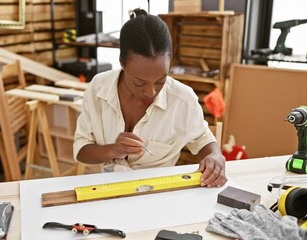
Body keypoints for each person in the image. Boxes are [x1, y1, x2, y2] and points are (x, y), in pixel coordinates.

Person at [73, 8, 226, 188]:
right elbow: (82, 151)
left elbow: (204, 142)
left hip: (156, 193)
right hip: (106, 189)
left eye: (161, 81)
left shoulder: (182, 100)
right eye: (139, 82)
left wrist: (215, 157)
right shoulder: (98, 88)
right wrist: (113, 150)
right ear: (122, 61)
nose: (151, 92)